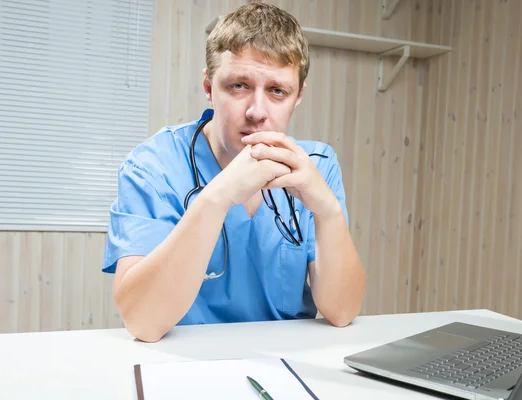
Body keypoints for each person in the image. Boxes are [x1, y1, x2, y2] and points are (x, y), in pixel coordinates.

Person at [102, 2, 366, 343]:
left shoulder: (317, 165)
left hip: (289, 360)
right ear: (209, 87)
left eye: (277, 91)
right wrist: (217, 198)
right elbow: (142, 322)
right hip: (184, 362)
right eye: (238, 86)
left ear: (297, 97)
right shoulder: (154, 166)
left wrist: (327, 210)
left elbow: (342, 312)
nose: (257, 112)